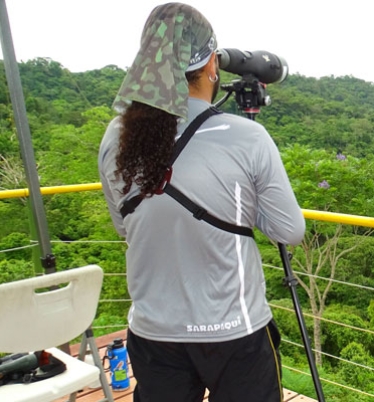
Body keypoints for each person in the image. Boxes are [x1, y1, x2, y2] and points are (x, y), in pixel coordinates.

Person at [97, 3, 306, 401]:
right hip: (234, 331)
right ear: (213, 65)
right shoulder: (245, 137)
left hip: (153, 331)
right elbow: (289, 231)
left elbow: (126, 226)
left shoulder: (115, 137)